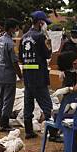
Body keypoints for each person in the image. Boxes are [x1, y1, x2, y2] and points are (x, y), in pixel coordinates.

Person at [19, 11, 59, 140]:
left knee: (28, 105)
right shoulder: (39, 37)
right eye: (45, 23)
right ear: (40, 22)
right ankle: (53, 134)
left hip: (28, 76)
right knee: (47, 106)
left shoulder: (24, 37)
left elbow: (21, 58)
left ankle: (29, 131)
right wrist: (50, 44)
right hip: (39, 77)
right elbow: (47, 55)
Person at [0, 18, 23, 133]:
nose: (17, 30)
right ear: (11, 29)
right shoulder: (10, 43)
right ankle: (4, 124)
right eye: (16, 28)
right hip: (8, 75)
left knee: (0, 99)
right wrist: (20, 76)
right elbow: (14, 62)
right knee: (8, 100)